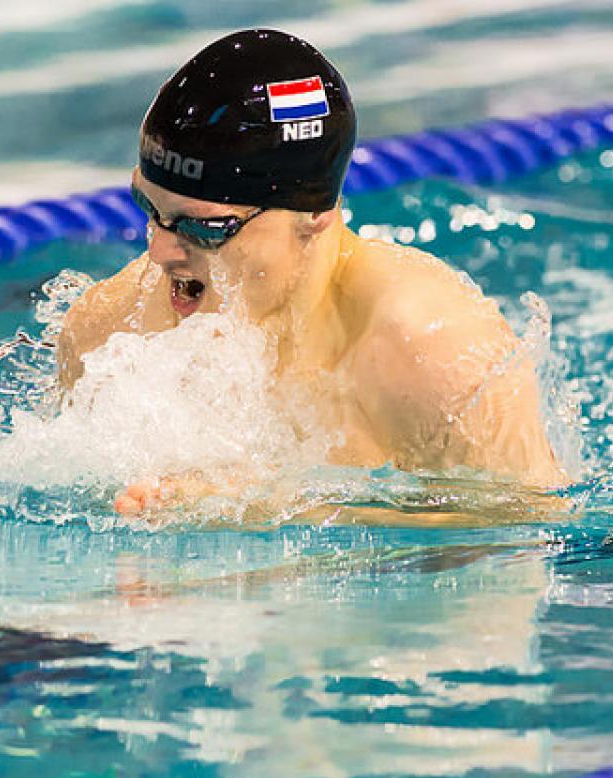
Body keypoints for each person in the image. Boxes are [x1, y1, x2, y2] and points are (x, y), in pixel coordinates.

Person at [54, 29, 568, 518]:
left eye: (205, 228)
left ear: (313, 215)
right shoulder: (107, 333)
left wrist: (282, 511)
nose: (161, 250)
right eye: (148, 206)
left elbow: (532, 528)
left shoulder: (431, 352)